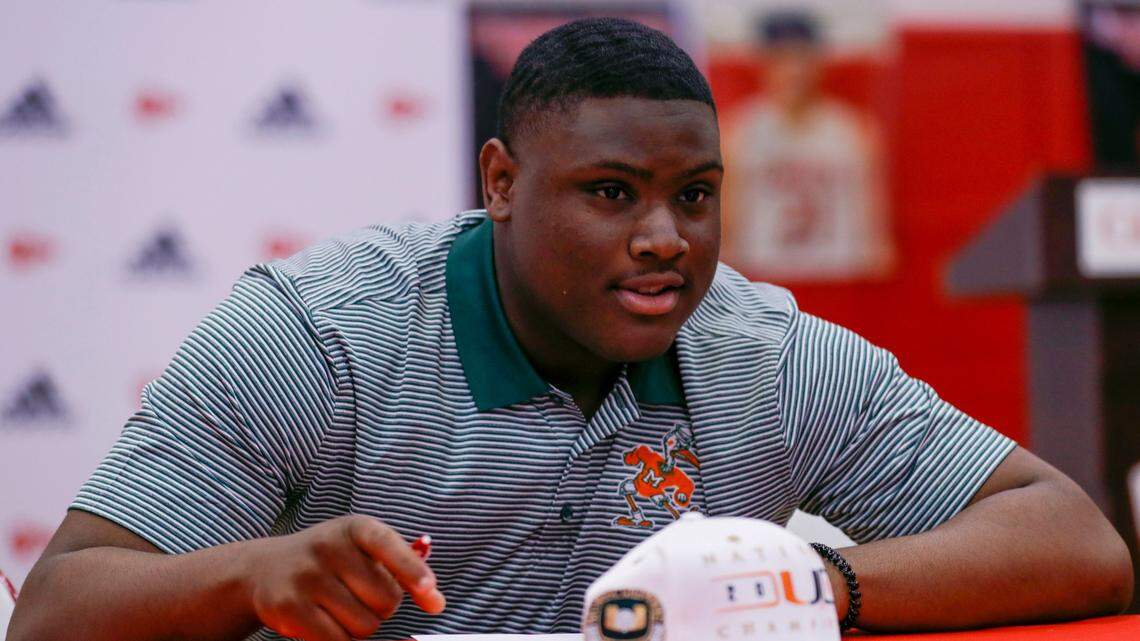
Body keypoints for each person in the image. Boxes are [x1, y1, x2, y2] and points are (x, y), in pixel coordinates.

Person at [7, 17, 1133, 641]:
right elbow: (58, 612)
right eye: (611, 192)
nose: (666, 238)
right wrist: (254, 575)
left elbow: (1070, 540)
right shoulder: (317, 335)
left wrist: (805, 583)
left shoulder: (765, 351)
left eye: (695, 194)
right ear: (501, 180)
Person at [722, 10, 893, 281]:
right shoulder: (737, 133)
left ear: (819, 62)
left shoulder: (854, 132)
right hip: (765, 282)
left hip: (837, 279)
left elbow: (877, 238)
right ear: (763, 63)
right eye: (781, 58)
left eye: (801, 58)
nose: (792, 71)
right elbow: (727, 231)